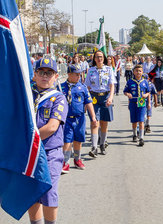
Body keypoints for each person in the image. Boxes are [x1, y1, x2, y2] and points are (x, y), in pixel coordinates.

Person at [29, 57, 68, 224]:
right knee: (31, 191)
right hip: (29, 153)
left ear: (56, 76)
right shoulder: (26, 94)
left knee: (49, 191)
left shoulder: (58, 98)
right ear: (34, 75)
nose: (45, 76)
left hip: (49, 151)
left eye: (49, 73)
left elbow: (52, 127)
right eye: (41, 72)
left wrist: (28, 140)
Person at [61, 64, 97, 174]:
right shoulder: (61, 87)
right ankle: (65, 162)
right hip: (67, 119)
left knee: (78, 140)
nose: (79, 76)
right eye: (76, 74)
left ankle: (77, 159)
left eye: (79, 74)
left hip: (80, 118)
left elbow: (89, 102)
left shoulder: (83, 87)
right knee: (67, 140)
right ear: (69, 74)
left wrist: (93, 117)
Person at [85, 50, 115, 157]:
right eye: (97, 57)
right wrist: (86, 100)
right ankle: (94, 147)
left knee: (104, 123)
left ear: (104, 58)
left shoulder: (108, 69)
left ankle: (102, 144)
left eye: (101, 57)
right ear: (94, 58)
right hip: (94, 98)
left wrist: (110, 97)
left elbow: (112, 85)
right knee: (94, 122)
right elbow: (87, 86)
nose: (99, 59)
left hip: (105, 97)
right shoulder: (91, 70)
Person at [124, 65, 150, 146]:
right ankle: (135, 134)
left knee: (141, 120)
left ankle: (141, 137)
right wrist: (128, 94)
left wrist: (146, 95)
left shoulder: (145, 82)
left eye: (140, 71)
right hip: (133, 103)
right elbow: (125, 91)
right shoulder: (130, 82)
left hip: (141, 103)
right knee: (134, 121)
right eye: (136, 71)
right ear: (133, 72)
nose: (138, 72)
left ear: (142, 72)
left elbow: (148, 91)